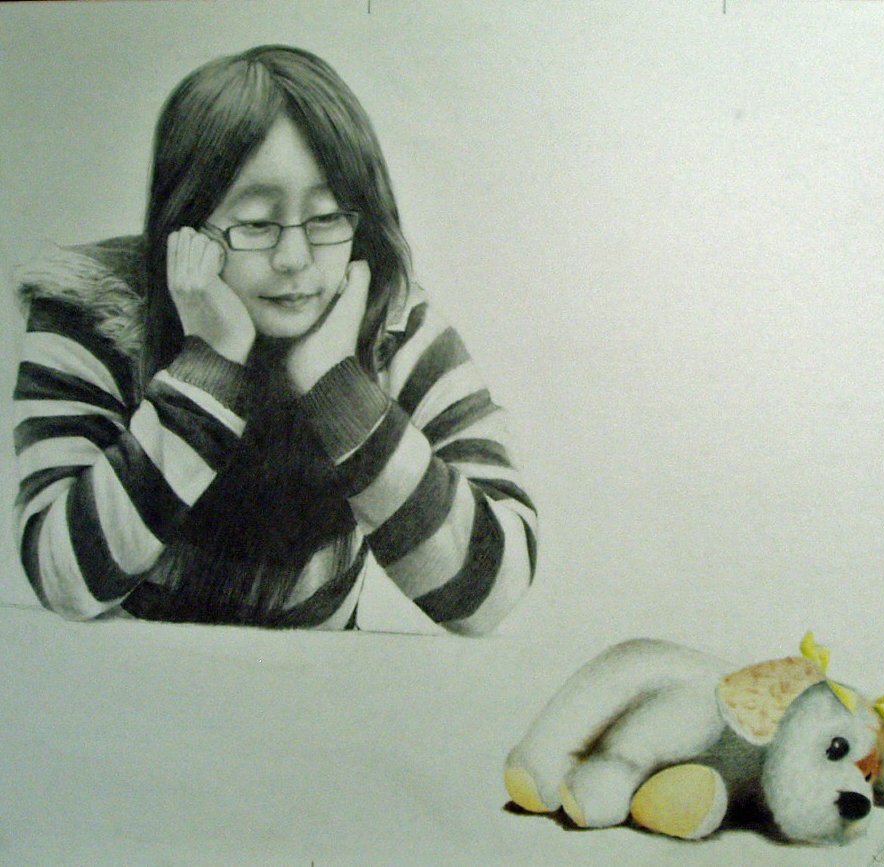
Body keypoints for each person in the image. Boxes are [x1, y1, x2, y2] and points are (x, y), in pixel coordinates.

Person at [11, 45, 537, 633]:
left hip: (306, 687)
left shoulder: (388, 326)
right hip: (126, 684)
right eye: (258, 223)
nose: (294, 259)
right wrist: (209, 365)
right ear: (183, 223)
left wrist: (339, 388)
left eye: (327, 217)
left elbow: (492, 595)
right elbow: (63, 581)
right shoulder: (90, 311)